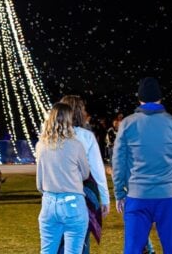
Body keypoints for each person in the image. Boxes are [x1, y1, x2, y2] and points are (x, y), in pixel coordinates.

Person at [113, 77, 172, 254]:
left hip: (137, 195)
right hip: (168, 195)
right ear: (160, 97)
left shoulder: (127, 124)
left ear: (139, 98)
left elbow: (118, 161)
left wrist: (119, 192)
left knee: (132, 249)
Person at [36, 102, 90, 254]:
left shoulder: (41, 145)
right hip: (72, 202)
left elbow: (39, 182)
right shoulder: (76, 145)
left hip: (49, 202)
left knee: (47, 251)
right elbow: (85, 173)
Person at [59, 95, 110, 253]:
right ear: (79, 113)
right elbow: (97, 171)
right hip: (81, 196)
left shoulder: (51, 136)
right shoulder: (86, 136)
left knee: (59, 244)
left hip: (56, 196)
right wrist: (105, 198)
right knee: (80, 242)